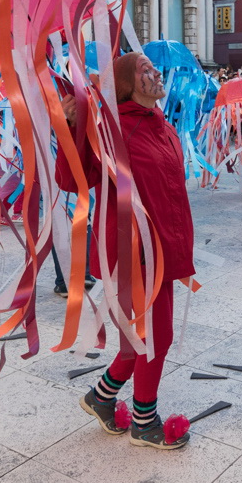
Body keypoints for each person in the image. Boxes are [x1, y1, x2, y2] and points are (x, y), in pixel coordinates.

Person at [64, 52, 194, 449]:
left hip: (165, 247)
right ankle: (144, 420)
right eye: (144, 70)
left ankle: (101, 398)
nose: (155, 73)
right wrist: (72, 126)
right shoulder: (113, 131)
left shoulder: (163, 126)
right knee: (155, 336)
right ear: (126, 84)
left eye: (153, 68)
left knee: (144, 335)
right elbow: (76, 176)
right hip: (135, 251)